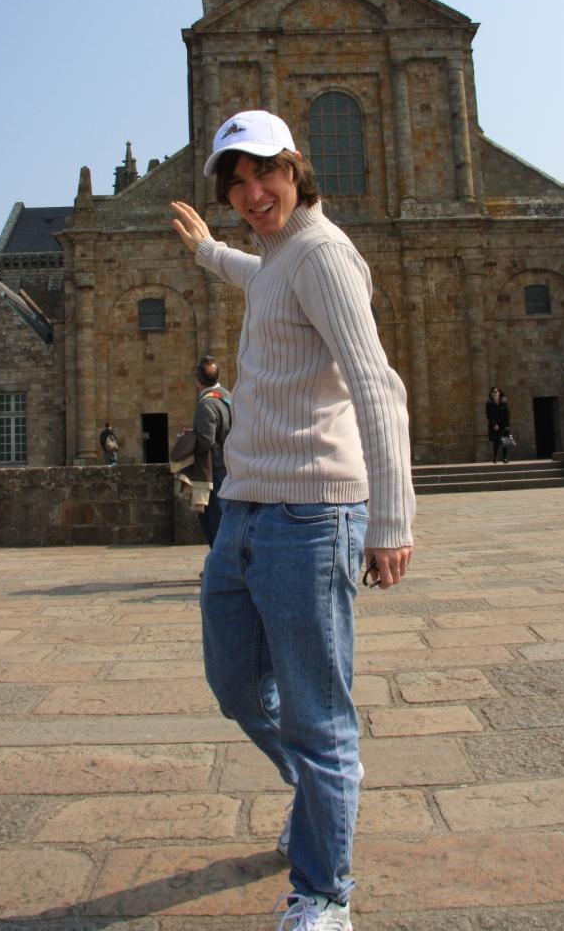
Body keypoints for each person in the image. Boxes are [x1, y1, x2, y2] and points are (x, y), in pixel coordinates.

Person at [171, 109, 415, 931]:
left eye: (264, 173)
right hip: (244, 512)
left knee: (316, 713)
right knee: (237, 686)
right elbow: (260, 276)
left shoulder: (323, 254)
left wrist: (392, 520)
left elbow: (377, 385)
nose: (252, 193)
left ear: (295, 168)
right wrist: (208, 251)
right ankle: (319, 791)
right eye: (236, 182)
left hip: (312, 515)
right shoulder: (280, 256)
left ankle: (323, 893)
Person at [193, 355, 232, 547]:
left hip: (215, 471)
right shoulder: (228, 397)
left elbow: (205, 441)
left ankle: (219, 562)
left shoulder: (206, 404)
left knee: (213, 524)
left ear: (198, 380)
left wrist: (189, 441)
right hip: (232, 467)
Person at [486, 386, 511, 463]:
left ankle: (505, 458)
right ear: (491, 394)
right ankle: (495, 458)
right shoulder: (489, 403)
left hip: (504, 424)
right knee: (496, 441)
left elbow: (507, 413)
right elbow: (489, 415)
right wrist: (494, 424)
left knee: (506, 441)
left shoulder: (504, 402)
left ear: (499, 393)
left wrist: (507, 425)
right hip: (495, 425)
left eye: (496, 391)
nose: (495, 393)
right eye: (493, 392)